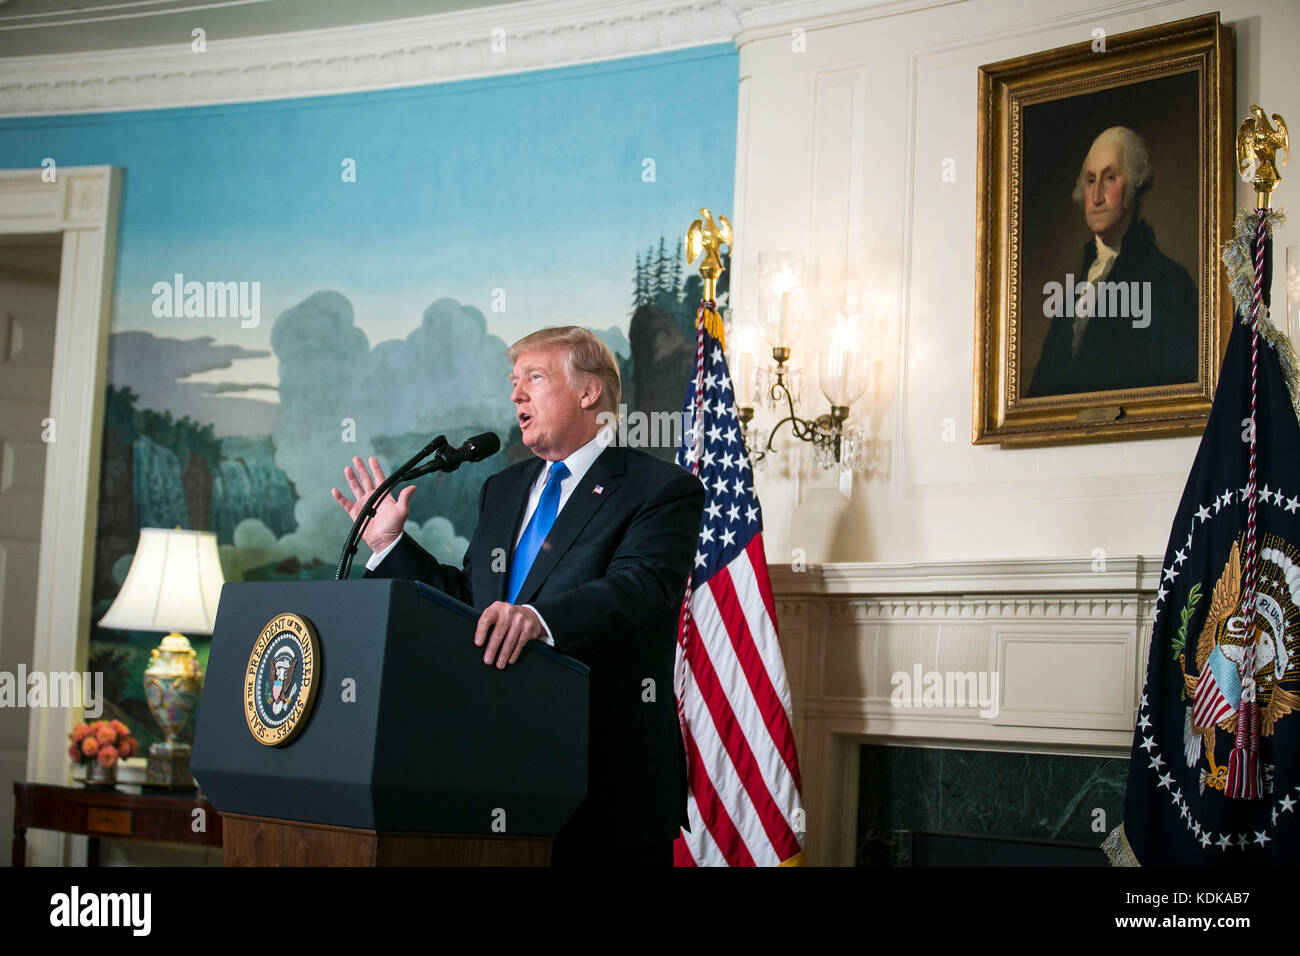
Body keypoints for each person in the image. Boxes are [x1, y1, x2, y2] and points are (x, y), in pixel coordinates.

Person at [331, 325, 704, 867]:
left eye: (534, 377)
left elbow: (639, 586)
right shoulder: (502, 489)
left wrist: (536, 618)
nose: (516, 395)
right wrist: (389, 544)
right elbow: (472, 605)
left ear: (588, 392)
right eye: (513, 381)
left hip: (604, 787)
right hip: (492, 777)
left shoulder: (658, 488)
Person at [1027, 126, 1198, 398]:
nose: (1095, 197)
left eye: (1109, 178)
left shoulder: (1169, 283)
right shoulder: (1075, 293)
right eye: (1091, 180)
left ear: (1133, 185)